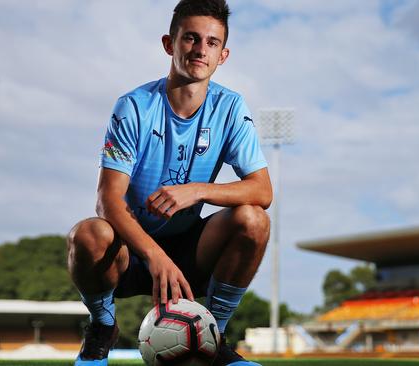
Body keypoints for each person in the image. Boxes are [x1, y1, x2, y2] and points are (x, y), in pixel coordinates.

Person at [67, 0, 272, 365]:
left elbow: (262, 190)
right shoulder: (134, 106)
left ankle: (215, 335)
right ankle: (102, 327)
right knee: (88, 234)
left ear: (223, 55)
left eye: (211, 42)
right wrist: (155, 256)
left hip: (192, 252)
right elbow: (108, 200)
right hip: (131, 253)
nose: (200, 49)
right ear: (169, 44)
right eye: (190, 38)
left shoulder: (229, 107)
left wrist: (197, 190)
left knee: (253, 219)